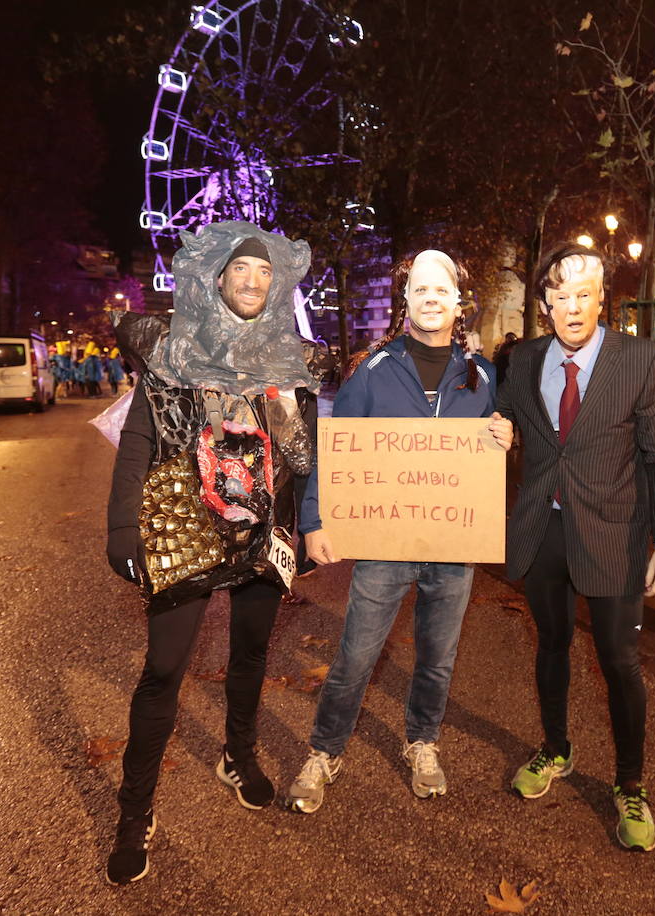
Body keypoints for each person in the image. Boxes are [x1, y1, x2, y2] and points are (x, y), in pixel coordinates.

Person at [103, 222, 323, 885]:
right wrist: (121, 530)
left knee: (251, 653)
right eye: (240, 270)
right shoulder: (176, 351)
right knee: (164, 670)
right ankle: (133, 811)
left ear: (275, 283)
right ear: (218, 280)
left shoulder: (291, 359)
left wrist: (306, 528)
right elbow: (139, 439)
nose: (253, 280)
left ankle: (238, 753)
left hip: (262, 533)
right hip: (186, 528)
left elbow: (306, 457)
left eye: (264, 272)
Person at [285, 250, 512, 813]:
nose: (431, 300)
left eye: (442, 292)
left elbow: (489, 447)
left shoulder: (481, 377)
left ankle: (422, 741)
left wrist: (506, 438)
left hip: (453, 546)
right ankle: (324, 749)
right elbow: (333, 450)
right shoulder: (374, 369)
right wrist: (313, 521)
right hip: (385, 543)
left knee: (438, 656)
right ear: (406, 302)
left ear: (459, 305)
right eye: (421, 292)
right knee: (356, 655)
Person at [494, 242, 655, 852]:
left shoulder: (642, 360)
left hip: (616, 535)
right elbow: (512, 422)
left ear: (603, 298)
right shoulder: (523, 360)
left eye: (585, 295)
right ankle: (556, 749)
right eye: (561, 296)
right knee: (550, 645)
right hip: (544, 531)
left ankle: (630, 783)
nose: (573, 307)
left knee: (619, 662)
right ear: (545, 301)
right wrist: (502, 431)